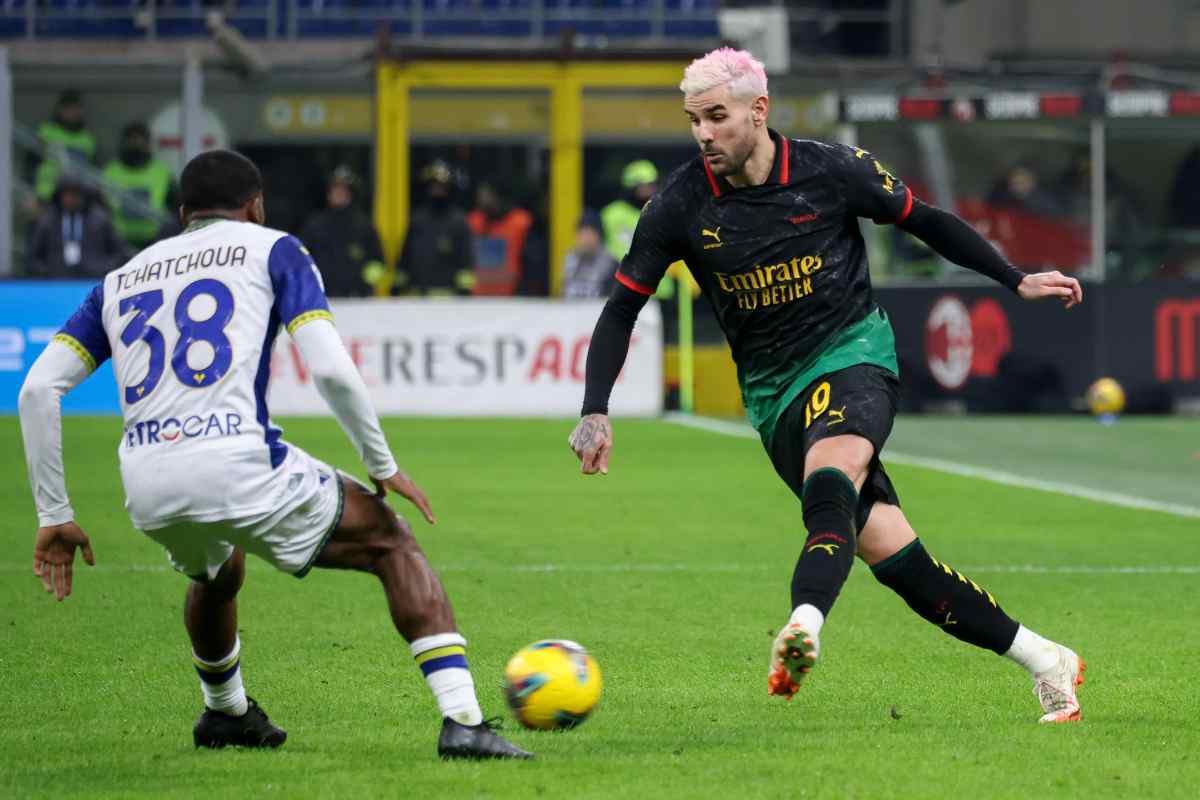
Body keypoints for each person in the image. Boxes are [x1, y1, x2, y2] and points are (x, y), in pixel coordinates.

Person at [568, 48, 1087, 724]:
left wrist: (1014, 277)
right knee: (897, 559)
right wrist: (595, 411)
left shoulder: (831, 170)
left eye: (716, 116)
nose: (703, 134)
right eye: (694, 120)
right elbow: (622, 308)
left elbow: (925, 219)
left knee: (833, 464)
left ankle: (805, 623)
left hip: (852, 353)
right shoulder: (679, 204)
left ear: (758, 111)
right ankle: (1046, 659)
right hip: (773, 395)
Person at [18, 150, 531, 760]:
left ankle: (226, 713)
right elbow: (333, 372)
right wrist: (381, 463)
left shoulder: (123, 277)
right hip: (238, 459)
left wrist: (55, 513)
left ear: (183, 213)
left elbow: (37, 390)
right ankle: (464, 721)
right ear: (255, 206)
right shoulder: (272, 248)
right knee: (391, 541)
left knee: (217, 570)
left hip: (148, 482)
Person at [299, 165, 387, 297]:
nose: (338, 194)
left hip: (356, 300)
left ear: (351, 194)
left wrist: (364, 286)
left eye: (343, 190)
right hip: (322, 299)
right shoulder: (315, 226)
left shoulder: (364, 227)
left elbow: (377, 263)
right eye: (335, 189)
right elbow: (301, 261)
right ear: (328, 194)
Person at [26, 174, 129, 279]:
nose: (69, 199)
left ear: (83, 195)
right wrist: (48, 272)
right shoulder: (48, 221)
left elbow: (121, 254)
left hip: (92, 280)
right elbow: (33, 258)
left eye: (74, 194)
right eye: (66, 195)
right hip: (56, 283)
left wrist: (102, 268)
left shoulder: (100, 220)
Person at [396, 160, 475, 296]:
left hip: (448, 297)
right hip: (416, 295)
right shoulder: (417, 220)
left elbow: (466, 259)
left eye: (441, 187)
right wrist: (398, 285)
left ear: (449, 189)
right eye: (433, 187)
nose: (436, 191)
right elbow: (406, 257)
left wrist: (464, 290)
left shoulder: (458, 222)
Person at [102, 122, 180, 251]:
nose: (136, 145)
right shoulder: (110, 172)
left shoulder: (162, 173)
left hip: (155, 242)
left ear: (148, 144)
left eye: (140, 141)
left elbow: (176, 209)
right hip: (117, 243)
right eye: (132, 141)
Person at [467, 181, 533, 296]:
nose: (483, 201)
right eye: (480, 197)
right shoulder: (474, 222)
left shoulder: (519, 222)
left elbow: (529, 260)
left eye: (487, 196)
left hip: (511, 295)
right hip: (477, 297)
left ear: (498, 196)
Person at [34, 89, 98, 203]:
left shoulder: (88, 139)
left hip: (76, 198)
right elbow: (32, 162)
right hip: (47, 193)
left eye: (75, 108)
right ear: (59, 109)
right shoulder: (46, 131)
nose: (71, 113)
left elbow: (91, 171)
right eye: (67, 108)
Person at [601, 159, 658, 262]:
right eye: (643, 186)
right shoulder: (611, 213)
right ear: (631, 187)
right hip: (618, 272)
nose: (648, 191)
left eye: (651, 185)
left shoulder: (660, 213)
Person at [562, 210, 619, 299]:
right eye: (582, 233)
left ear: (599, 236)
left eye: (590, 234)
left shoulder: (611, 264)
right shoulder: (570, 260)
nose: (585, 239)